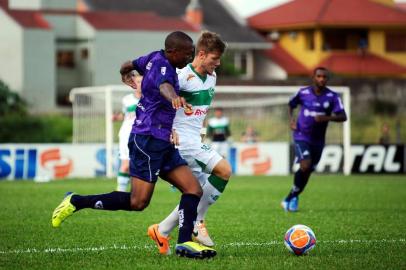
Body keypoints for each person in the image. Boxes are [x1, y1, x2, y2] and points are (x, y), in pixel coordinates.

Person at [51, 31, 216, 259]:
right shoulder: (164, 68)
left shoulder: (151, 57)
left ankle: (185, 242)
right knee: (138, 202)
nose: (190, 59)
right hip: (146, 139)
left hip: (163, 141)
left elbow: (129, 63)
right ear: (173, 52)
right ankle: (76, 201)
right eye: (187, 55)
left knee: (193, 189)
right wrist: (174, 98)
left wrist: (124, 72)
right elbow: (164, 86)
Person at [147, 31, 231, 255]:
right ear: (201, 54)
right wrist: (168, 130)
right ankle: (197, 223)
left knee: (197, 191)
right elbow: (159, 99)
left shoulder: (212, 77)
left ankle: (162, 230)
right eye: (215, 58)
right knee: (224, 171)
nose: (218, 63)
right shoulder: (182, 76)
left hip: (195, 137)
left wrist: (201, 131)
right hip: (182, 141)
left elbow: (197, 112)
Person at [281, 67, 347, 212]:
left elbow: (343, 116)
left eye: (324, 77)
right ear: (313, 77)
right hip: (301, 135)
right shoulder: (303, 92)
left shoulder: (332, 96)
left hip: (318, 140)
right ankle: (291, 198)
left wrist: (327, 117)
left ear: (327, 79)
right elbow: (291, 104)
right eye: (319, 76)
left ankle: (292, 196)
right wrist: (291, 120)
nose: (321, 79)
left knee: (308, 170)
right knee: (305, 164)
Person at [116, 74, 142, 192]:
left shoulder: (151, 99)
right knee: (126, 165)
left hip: (143, 135)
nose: (140, 84)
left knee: (138, 165)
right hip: (127, 134)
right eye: (138, 81)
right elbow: (126, 114)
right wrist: (117, 117)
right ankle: (119, 193)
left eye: (143, 81)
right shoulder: (127, 99)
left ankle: (135, 193)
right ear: (134, 83)